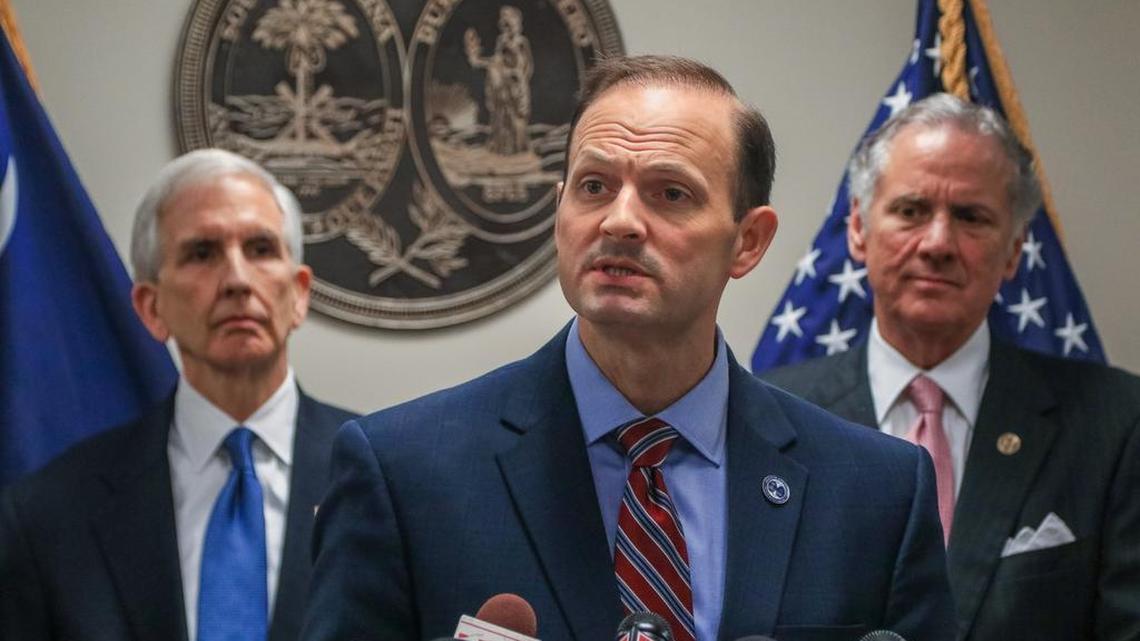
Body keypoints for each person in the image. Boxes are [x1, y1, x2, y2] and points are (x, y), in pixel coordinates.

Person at [301, 56, 955, 641]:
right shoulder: (403, 472)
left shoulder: (877, 493)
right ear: (559, 213)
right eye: (594, 186)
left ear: (748, 242)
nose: (619, 220)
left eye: (670, 192)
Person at [762, 94, 1140, 641]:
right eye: (911, 210)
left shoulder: (1116, 423)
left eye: (971, 217)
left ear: (1014, 251)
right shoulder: (769, 416)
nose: (938, 243)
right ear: (859, 231)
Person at [0, 149, 356, 641]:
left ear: (298, 294)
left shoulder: (384, 478)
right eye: (202, 253)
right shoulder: (47, 513)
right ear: (151, 307)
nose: (236, 280)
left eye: (260, 249)